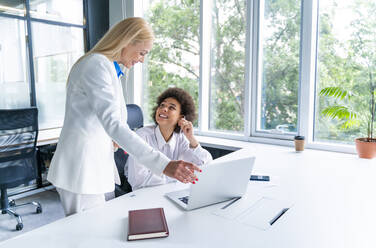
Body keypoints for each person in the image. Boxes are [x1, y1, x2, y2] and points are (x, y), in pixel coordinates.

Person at [47, 17, 200, 216]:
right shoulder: (97, 65)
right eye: (142, 52)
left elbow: (100, 122)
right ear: (126, 42)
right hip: (82, 170)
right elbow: (115, 124)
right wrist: (164, 165)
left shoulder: (108, 67)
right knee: (85, 235)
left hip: (96, 167)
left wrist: (111, 139)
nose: (142, 59)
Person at [126, 87, 213, 190]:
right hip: (141, 195)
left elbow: (205, 164)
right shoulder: (142, 136)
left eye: (171, 108)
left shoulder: (181, 138)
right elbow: (137, 181)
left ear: (181, 118)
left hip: (169, 191)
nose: (164, 109)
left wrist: (191, 139)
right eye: (162, 105)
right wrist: (175, 174)